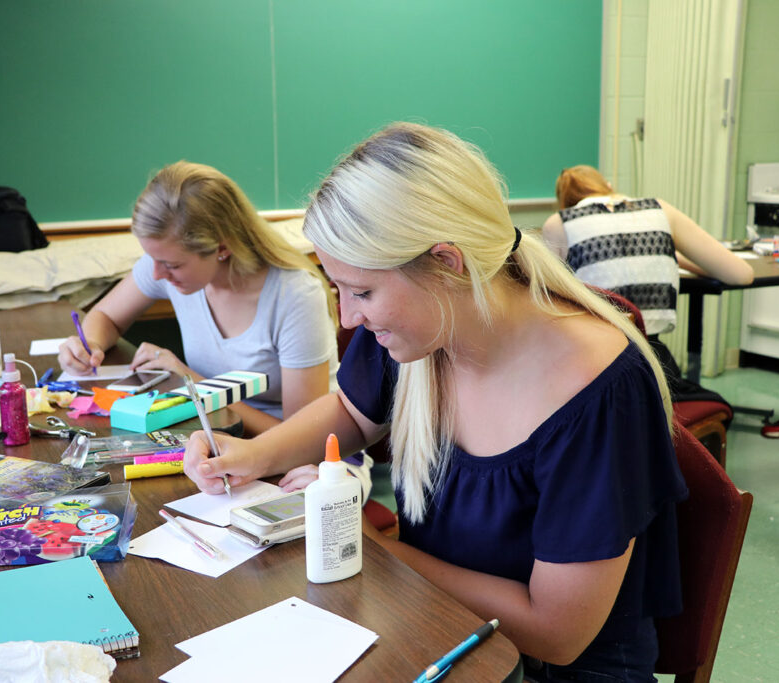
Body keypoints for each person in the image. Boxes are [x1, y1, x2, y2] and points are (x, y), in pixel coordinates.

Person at [183, 123, 688, 681]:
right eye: (339, 290)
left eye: (363, 292)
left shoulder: (598, 392)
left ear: (448, 263)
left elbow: (558, 634)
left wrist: (371, 544)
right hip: (434, 622)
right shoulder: (419, 333)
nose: (348, 318)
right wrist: (248, 457)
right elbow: (352, 414)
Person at [58, 161, 338, 436]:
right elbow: (105, 317)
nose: (156, 274)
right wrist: (89, 345)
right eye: (152, 259)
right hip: (217, 434)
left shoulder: (296, 297)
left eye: (173, 265)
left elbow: (302, 440)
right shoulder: (167, 262)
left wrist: (193, 386)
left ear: (222, 247)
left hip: (311, 463)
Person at [542, 165, 754, 403]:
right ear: (609, 187)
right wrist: (675, 253)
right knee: (709, 399)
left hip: (592, 366)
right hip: (654, 363)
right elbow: (742, 274)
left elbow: (547, 301)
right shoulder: (660, 210)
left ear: (564, 203)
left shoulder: (559, 223)